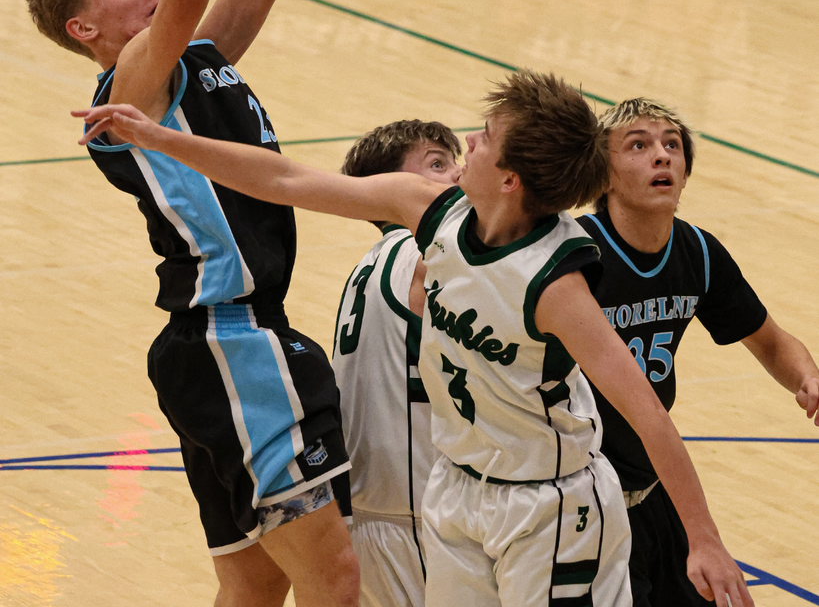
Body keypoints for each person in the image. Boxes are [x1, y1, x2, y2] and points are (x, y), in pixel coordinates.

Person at [76, 70, 755, 607]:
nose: (470, 144)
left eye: (484, 138)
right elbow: (283, 179)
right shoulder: (427, 210)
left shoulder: (554, 284)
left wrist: (704, 540)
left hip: (549, 504)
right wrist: (162, 139)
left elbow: (646, 414)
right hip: (457, 491)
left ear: (510, 179)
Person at [28, 0, 359, 607]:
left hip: (221, 345)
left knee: (251, 592)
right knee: (339, 584)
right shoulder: (127, 92)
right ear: (83, 27)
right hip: (228, 341)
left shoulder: (196, 61)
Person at [577, 97, 819, 607]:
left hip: (651, 482)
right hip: (581, 496)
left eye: (672, 145)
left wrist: (807, 378)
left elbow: (771, 340)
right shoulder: (574, 254)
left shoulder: (699, 252)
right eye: (638, 146)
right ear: (603, 177)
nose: (661, 156)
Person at [334, 120, 462, 607]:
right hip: (413, 516)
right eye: (436, 164)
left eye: (453, 161)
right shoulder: (422, 252)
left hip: (375, 511)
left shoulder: (370, 261)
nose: (456, 175)